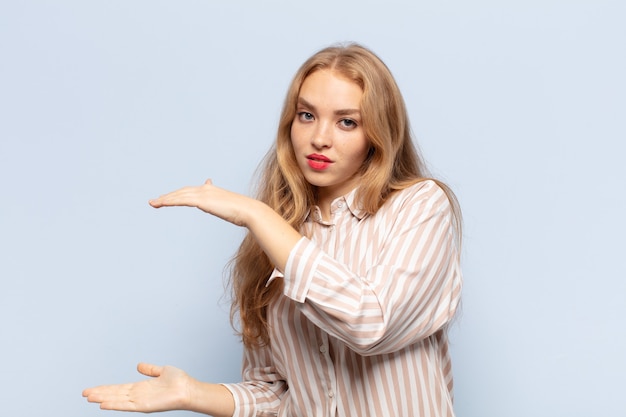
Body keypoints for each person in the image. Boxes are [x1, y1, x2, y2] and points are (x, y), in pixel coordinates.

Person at [83, 43, 463, 417]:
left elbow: (371, 323)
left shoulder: (420, 206)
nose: (320, 138)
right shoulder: (278, 234)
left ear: (378, 134)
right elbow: (276, 392)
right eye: (306, 115)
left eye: (347, 121)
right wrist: (193, 393)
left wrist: (258, 216)